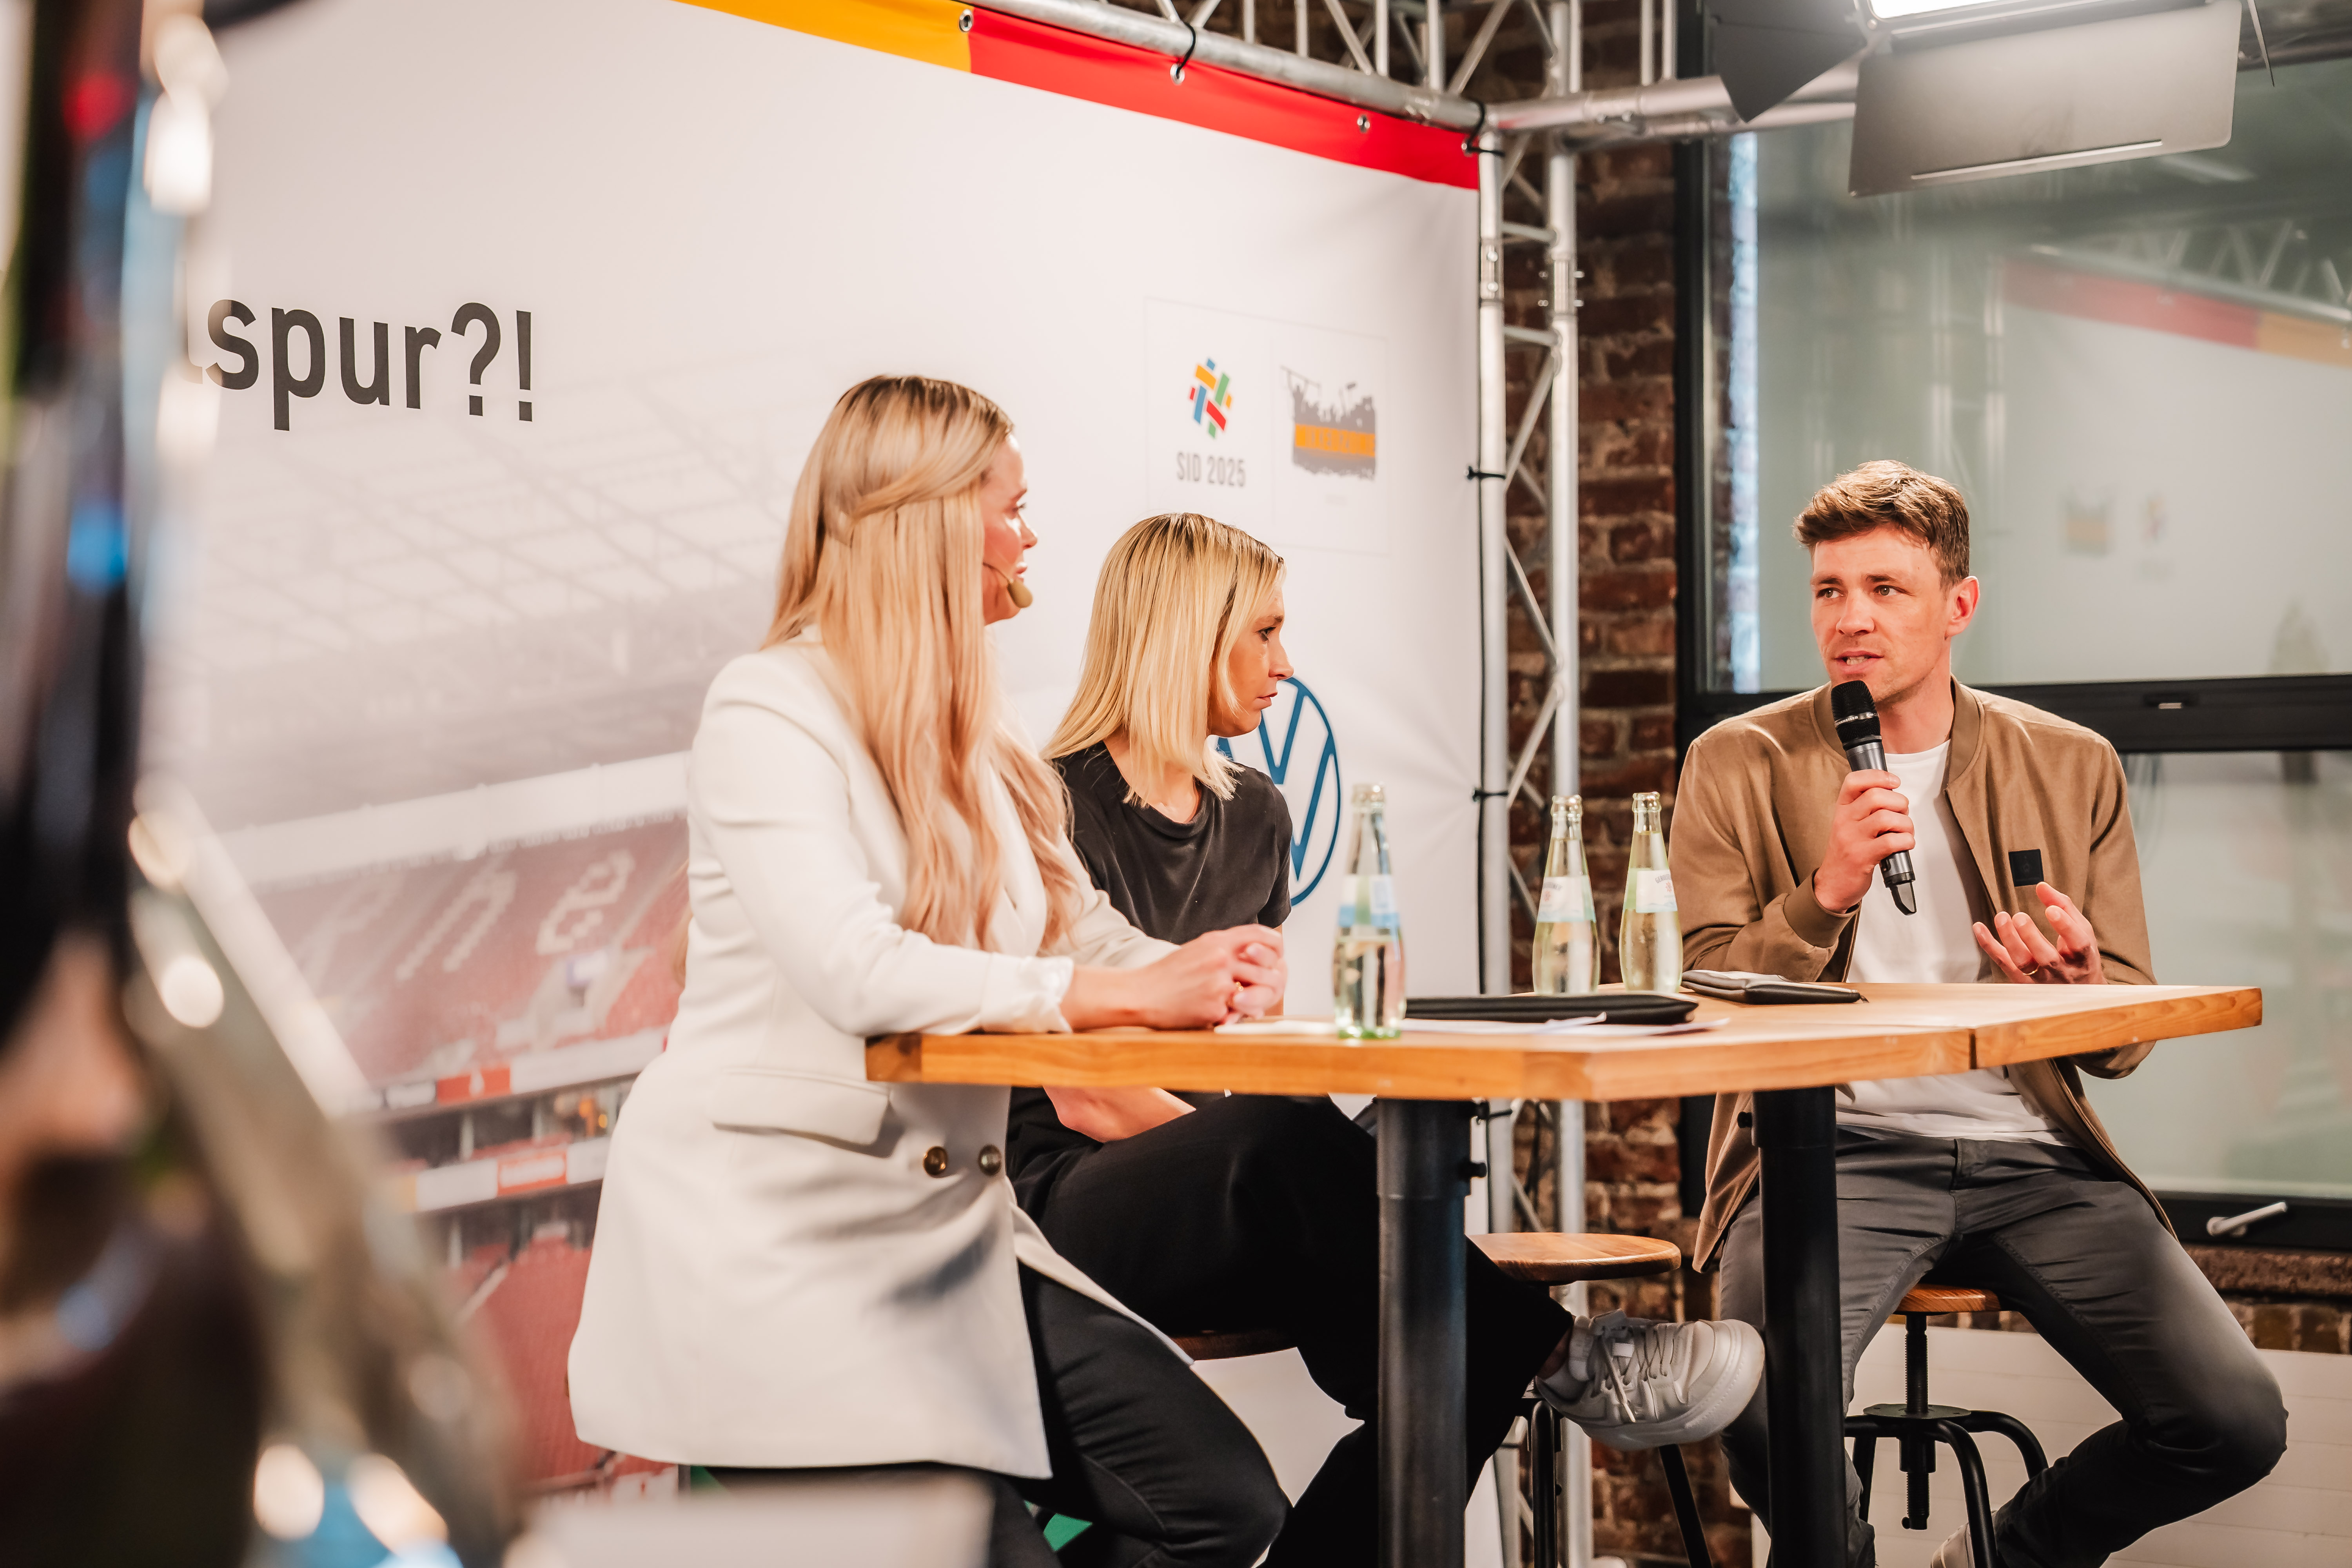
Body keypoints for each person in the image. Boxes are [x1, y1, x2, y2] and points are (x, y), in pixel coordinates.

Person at [568, 379, 1296, 1568]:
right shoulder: (769, 706)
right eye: (1011, 507)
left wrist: (1203, 969)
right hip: (788, 1265)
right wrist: (1119, 997)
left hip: (952, 1242)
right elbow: (854, 969)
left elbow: (1075, 931)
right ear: (928, 521)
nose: (1030, 535)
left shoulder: (985, 737)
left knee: (1225, 1503)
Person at [1005, 512, 1766, 1565]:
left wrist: (1289, 1158)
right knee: (1291, 1149)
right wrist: (1281, 1164)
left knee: (1450, 1351)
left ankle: (1523, 1354)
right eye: (1264, 633)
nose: (1286, 664)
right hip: (1072, 1198)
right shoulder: (1047, 807)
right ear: (1189, 633)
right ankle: (1573, 1358)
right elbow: (1084, 1093)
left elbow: (1250, 1050)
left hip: (1240, 1190)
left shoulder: (1258, 814)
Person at [1670, 461, 2287, 1568]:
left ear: (1958, 604)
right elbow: (1703, 985)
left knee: (2232, 1420)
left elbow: (2127, 1034)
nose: (1851, 619)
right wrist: (1823, 894)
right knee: (1759, 1408)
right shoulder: (1738, 761)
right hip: (1832, 1151)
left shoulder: (2074, 762)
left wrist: (2081, 997)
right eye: (1828, 590)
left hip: (2033, 1158)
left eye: (1886, 589)